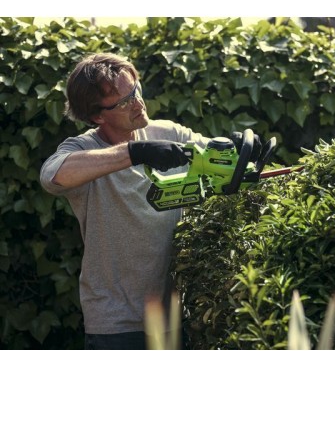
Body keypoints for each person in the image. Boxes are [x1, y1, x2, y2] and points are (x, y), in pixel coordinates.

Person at [40, 52, 260, 350]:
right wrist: (135, 152)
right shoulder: (83, 148)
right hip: (116, 322)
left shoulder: (168, 133)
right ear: (97, 116)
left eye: (136, 91)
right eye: (125, 101)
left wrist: (240, 150)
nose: (138, 103)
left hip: (175, 315)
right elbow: (52, 176)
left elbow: (218, 159)